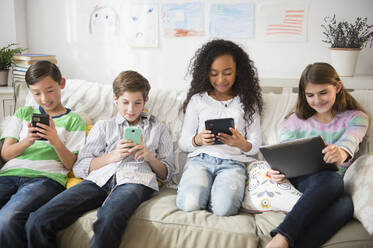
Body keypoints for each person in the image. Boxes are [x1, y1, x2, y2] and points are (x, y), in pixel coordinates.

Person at [26, 70, 175, 248]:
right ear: (115, 99)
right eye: (125, 102)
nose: (131, 109)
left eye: (137, 103)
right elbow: (81, 166)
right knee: (37, 221)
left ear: (146, 100)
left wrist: (149, 157)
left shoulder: (158, 129)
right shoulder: (104, 126)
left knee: (108, 219)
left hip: (135, 180)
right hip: (98, 180)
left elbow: (167, 174)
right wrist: (113, 156)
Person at [266, 62, 369, 248]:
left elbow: (350, 143)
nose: (317, 100)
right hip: (302, 179)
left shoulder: (356, 118)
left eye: (323, 93)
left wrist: (341, 153)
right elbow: (282, 153)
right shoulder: (295, 121)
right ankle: (281, 237)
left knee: (345, 204)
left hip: (333, 182)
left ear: (337, 87)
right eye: (310, 95)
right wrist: (276, 171)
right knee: (332, 180)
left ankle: (285, 242)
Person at [0, 60, 86, 248]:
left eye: (50, 90)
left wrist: (55, 139)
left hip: (44, 179)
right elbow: (6, 154)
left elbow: (73, 165)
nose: (44, 98)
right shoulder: (23, 113)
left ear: (61, 84)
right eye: (36, 93)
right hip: (8, 175)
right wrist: (28, 140)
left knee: (7, 219)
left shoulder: (74, 120)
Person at [176, 39, 263, 216]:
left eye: (227, 73)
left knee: (225, 209)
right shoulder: (198, 100)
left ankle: (212, 194)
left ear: (238, 71)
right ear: (205, 73)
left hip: (233, 164)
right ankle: (204, 193)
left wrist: (241, 143)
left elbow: (256, 144)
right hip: (200, 160)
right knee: (190, 204)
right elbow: (183, 142)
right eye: (214, 73)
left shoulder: (248, 102)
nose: (221, 79)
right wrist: (197, 140)